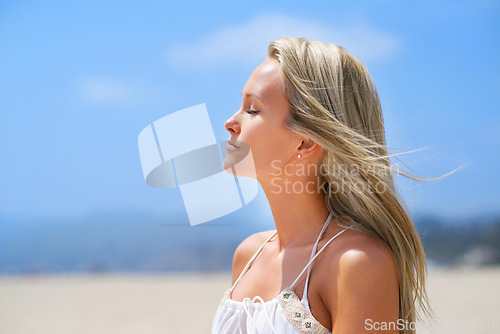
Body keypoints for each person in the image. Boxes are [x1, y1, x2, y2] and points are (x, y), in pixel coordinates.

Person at [212, 37, 438, 334]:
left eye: (252, 110)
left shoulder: (357, 264)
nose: (230, 122)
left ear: (305, 141)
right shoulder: (249, 255)